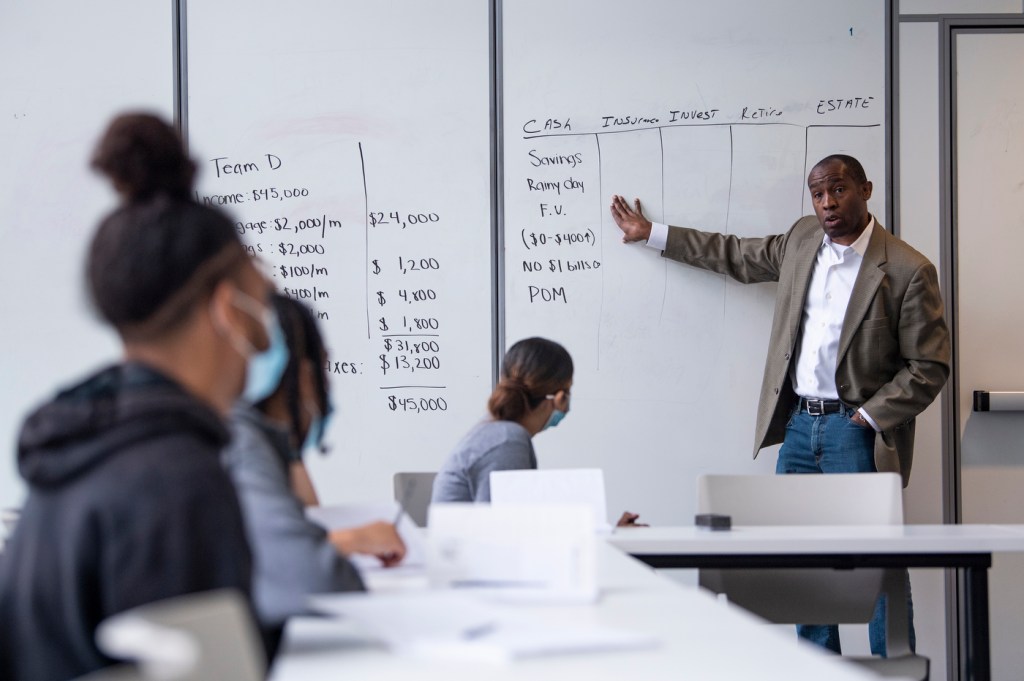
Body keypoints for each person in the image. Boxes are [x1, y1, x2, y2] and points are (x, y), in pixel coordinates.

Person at [609, 154, 950, 656]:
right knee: (802, 564)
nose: (828, 203)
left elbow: (929, 366)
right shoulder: (802, 239)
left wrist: (866, 417)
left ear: (866, 189)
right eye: (817, 193)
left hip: (855, 434)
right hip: (796, 428)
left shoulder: (907, 269)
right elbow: (734, 254)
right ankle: (816, 667)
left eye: (838, 190)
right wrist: (651, 232)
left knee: (877, 563)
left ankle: (896, 665)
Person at [0, 113, 266, 680]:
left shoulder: (70, 451)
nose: (266, 333)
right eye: (260, 302)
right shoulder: (179, 482)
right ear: (226, 309)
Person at [222, 293, 406, 656]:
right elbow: (316, 576)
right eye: (324, 369)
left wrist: (290, 452)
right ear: (306, 377)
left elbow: (302, 522)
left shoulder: (247, 440)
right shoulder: (242, 442)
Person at [432, 337, 644, 527]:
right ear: (561, 396)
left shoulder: (499, 433)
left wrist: (609, 533)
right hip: (472, 568)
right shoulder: (506, 441)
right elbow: (504, 535)